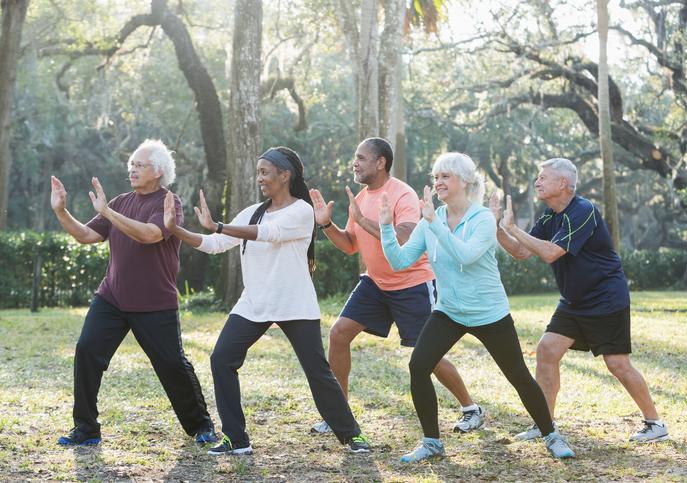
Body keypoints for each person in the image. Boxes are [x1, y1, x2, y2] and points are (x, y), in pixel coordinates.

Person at [163, 146, 371, 455]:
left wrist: (218, 224)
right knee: (221, 359)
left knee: (318, 371)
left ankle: (351, 434)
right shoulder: (253, 211)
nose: (259, 178)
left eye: (265, 172)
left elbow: (268, 234)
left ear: (285, 175)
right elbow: (216, 244)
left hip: (294, 303)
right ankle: (236, 438)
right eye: (258, 172)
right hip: (254, 303)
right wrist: (175, 229)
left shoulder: (301, 211)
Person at [378, 152, 575, 462]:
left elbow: (465, 256)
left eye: (445, 176)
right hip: (449, 312)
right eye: (436, 177)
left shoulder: (482, 218)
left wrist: (434, 223)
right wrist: (387, 228)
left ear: (466, 182)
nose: (438, 182)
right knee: (418, 366)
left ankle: (551, 435)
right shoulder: (432, 219)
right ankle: (431, 442)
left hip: (489, 313)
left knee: (518, 375)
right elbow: (400, 261)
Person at [309, 138, 483, 435]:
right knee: (338, 334)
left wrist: (363, 221)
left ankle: (471, 408)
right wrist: (326, 225)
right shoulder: (362, 198)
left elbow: (403, 237)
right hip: (376, 283)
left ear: (380, 162)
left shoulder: (401, 193)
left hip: (412, 283)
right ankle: (339, 414)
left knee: (428, 355)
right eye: (355, 157)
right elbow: (350, 245)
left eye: (361, 158)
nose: (355, 163)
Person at [50, 139, 217, 446]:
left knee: (171, 364)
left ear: (158, 171)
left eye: (139, 165)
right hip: (112, 297)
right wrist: (61, 211)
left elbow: (151, 235)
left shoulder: (170, 202)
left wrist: (109, 214)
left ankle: (201, 425)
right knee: (87, 351)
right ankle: (86, 428)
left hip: (154, 302)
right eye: (131, 165)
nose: (132, 170)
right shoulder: (119, 202)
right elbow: (87, 235)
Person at [491, 157, 668, 443]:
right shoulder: (549, 216)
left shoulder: (583, 210)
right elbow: (522, 252)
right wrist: (497, 226)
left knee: (617, 364)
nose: (537, 181)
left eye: (542, 177)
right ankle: (544, 424)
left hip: (605, 298)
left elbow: (550, 253)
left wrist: (513, 228)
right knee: (547, 350)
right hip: (574, 301)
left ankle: (655, 423)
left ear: (563, 183)